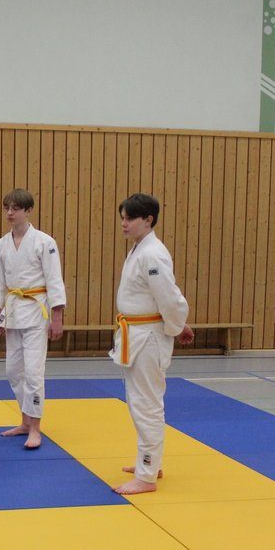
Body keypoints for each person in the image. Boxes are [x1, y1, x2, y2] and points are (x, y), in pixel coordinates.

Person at [109, 193, 193, 495]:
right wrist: (178, 325)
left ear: (148, 220)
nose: (124, 223)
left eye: (130, 218)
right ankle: (149, 463)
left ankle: (146, 475)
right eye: (122, 218)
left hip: (148, 337)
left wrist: (177, 326)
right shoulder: (139, 249)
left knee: (147, 404)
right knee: (138, 402)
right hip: (136, 333)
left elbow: (170, 298)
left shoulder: (152, 254)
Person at [0, 188, 67, 450]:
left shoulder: (44, 242)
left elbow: (54, 280)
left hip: (37, 312)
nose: (10, 213)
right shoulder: (2, 244)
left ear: (28, 211)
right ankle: (25, 419)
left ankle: (35, 427)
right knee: (12, 371)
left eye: (15, 208)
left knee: (33, 372)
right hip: (13, 311)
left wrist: (57, 317)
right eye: (7, 208)